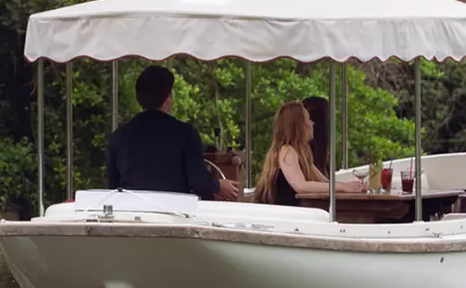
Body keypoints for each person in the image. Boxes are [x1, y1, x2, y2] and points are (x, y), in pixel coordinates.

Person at [105, 65, 238, 200]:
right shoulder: (186, 134)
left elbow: (113, 187)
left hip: (131, 213)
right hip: (174, 215)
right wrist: (218, 186)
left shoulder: (119, 137)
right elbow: (198, 182)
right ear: (168, 98)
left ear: (139, 99)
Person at [252, 101, 364, 204]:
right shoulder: (287, 150)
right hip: (284, 216)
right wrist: (342, 187)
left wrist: (352, 186)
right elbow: (301, 186)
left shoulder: (301, 154)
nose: (312, 123)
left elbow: (325, 182)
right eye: (308, 119)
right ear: (299, 126)